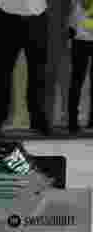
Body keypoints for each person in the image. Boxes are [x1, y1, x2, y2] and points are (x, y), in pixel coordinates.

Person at [0, 0, 52, 137]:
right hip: (7, 16)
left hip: (37, 16)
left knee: (38, 73)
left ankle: (38, 119)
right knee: (1, 73)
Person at [69, 0, 93, 133]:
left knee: (76, 81)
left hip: (80, 35)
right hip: (80, 37)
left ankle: (88, 121)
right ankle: (72, 121)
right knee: (77, 81)